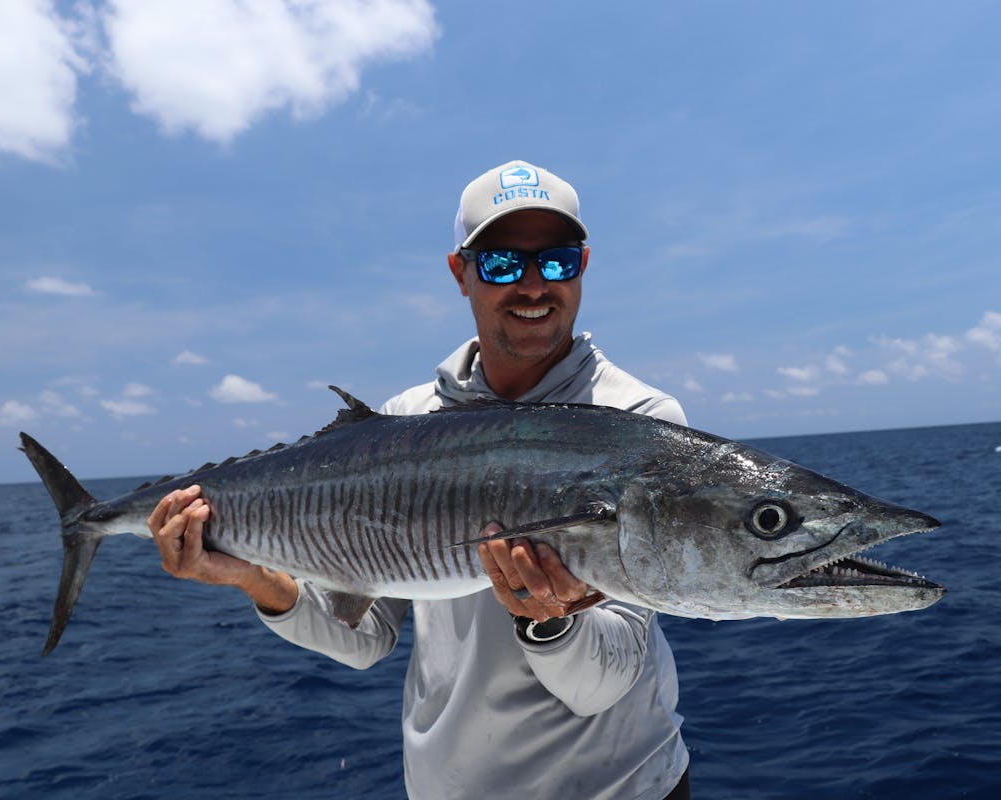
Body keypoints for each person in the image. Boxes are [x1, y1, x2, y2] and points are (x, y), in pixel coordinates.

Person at [148, 160, 692, 799]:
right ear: (461, 273)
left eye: (556, 261)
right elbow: (364, 636)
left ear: (583, 266)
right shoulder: (406, 423)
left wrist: (554, 624)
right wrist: (249, 576)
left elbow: (603, 683)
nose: (532, 284)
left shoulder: (639, 424)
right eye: (500, 263)